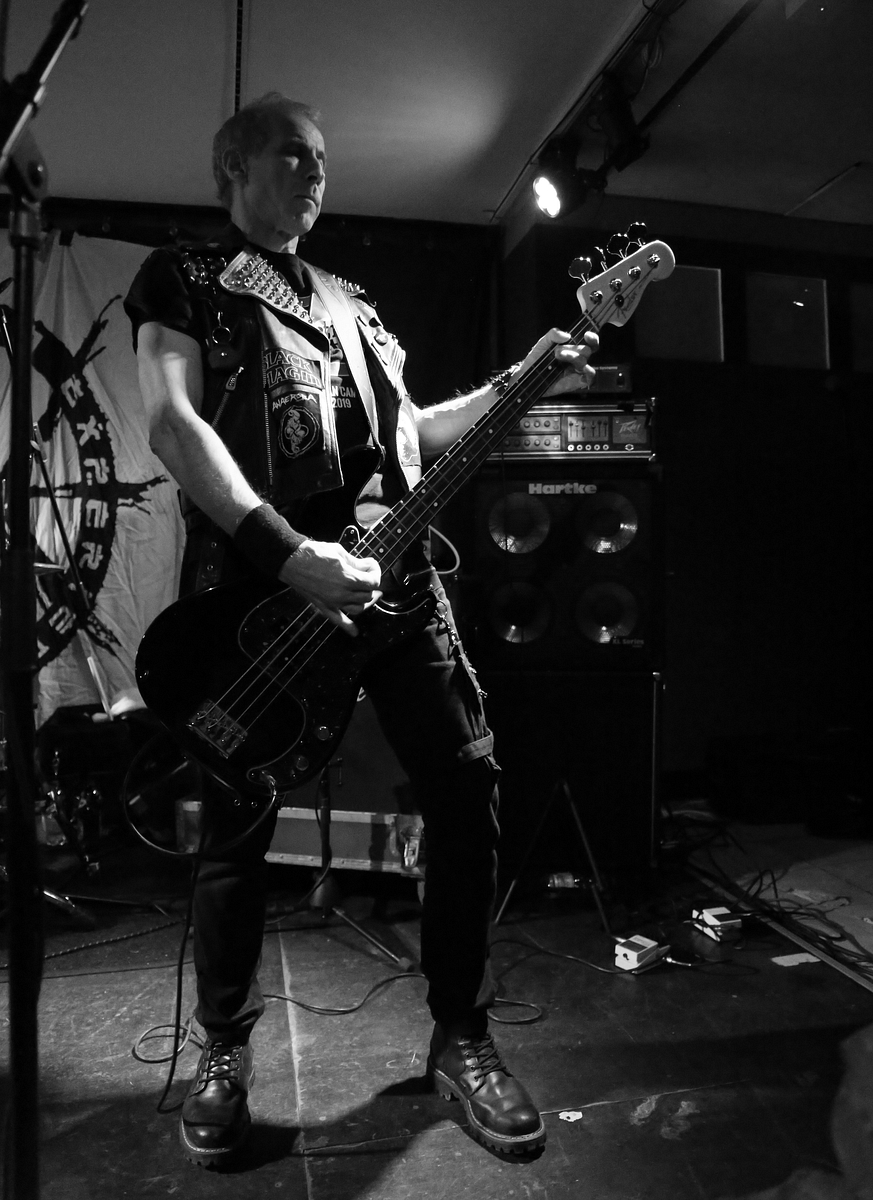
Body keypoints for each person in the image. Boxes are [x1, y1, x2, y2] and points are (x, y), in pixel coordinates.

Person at [124, 92, 597, 1169]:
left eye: (323, 158)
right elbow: (172, 422)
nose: (316, 171)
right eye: (293, 153)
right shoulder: (185, 276)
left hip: (395, 585)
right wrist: (289, 551)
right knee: (237, 820)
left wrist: (523, 381)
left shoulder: (355, 305)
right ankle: (224, 1049)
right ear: (231, 165)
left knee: (467, 788)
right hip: (257, 596)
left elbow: (413, 435)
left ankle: (460, 1032)